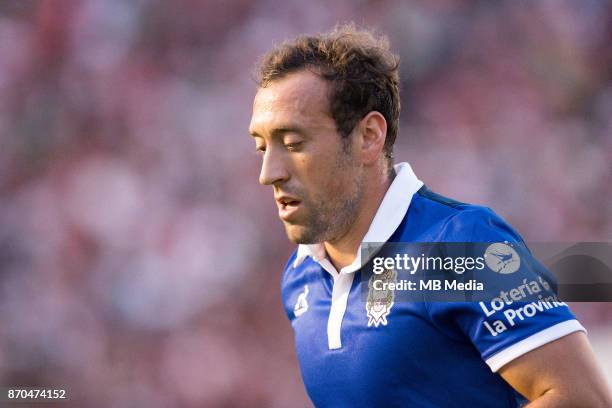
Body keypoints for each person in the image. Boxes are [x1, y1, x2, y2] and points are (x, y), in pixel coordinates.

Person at [248, 24, 611, 407]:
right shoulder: (300, 278)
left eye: (293, 143)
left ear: (369, 136)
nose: (269, 172)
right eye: (261, 147)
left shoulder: (458, 245)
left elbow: (581, 397)